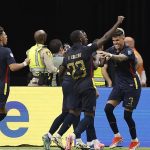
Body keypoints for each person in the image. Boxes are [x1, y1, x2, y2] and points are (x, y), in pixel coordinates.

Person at [58, 16, 124, 150]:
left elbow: (60, 72)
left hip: (74, 88)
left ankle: (90, 142)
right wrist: (118, 22)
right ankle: (74, 135)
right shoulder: (86, 50)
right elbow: (105, 37)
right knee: (89, 116)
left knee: (75, 114)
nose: (84, 36)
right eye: (83, 35)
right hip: (87, 86)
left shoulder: (68, 54)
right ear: (80, 39)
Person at [99, 28, 141, 150]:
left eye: (118, 40)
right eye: (113, 40)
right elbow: (102, 64)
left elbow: (121, 58)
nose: (115, 43)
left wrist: (110, 56)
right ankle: (117, 136)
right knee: (107, 109)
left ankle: (134, 141)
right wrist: (101, 59)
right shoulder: (111, 49)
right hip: (119, 85)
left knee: (127, 116)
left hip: (132, 86)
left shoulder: (128, 51)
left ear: (123, 38)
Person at [0, 26, 30, 121]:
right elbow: (12, 67)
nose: (6, 36)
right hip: (2, 86)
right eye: (5, 35)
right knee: (2, 110)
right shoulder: (6, 51)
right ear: (0, 37)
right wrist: (25, 63)